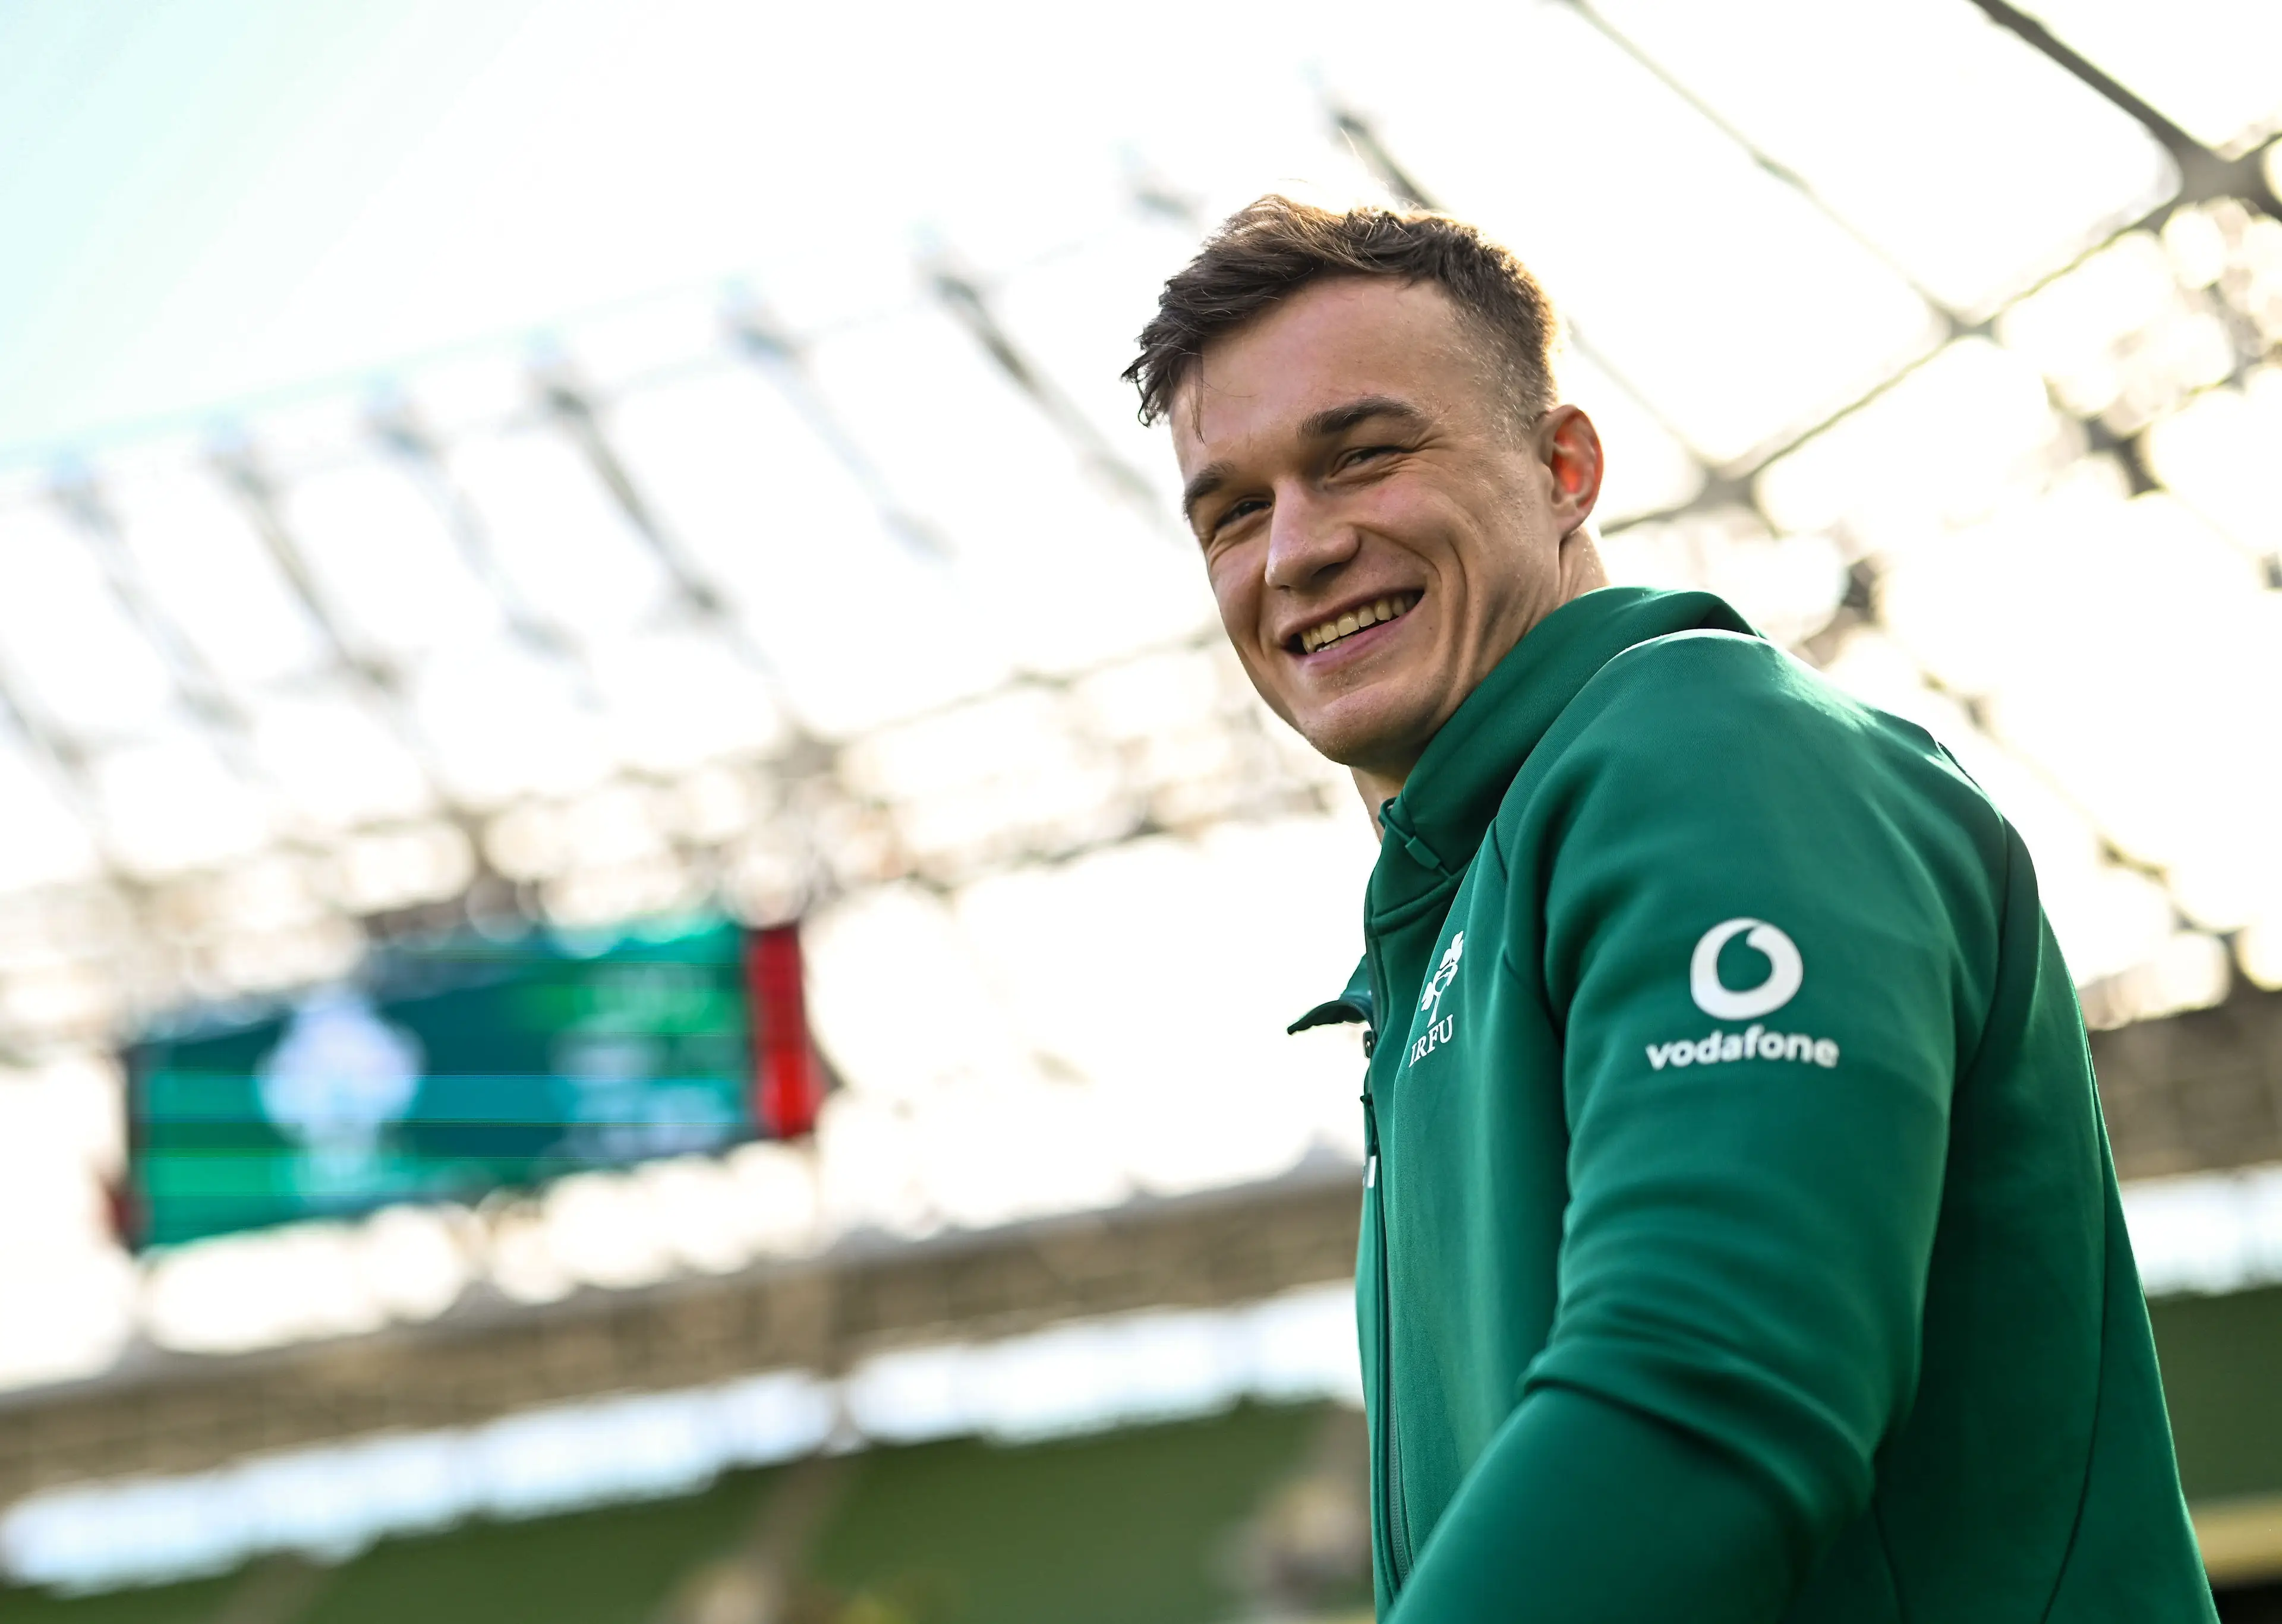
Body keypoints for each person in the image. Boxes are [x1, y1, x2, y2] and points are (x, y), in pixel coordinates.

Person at [1123, 197, 2214, 1621]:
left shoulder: (1704, 746)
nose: (1295, 553)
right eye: (1235, 513)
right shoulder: (1448, 928)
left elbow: (1713, 1375)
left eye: (1365, 458)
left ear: (1564, 467)